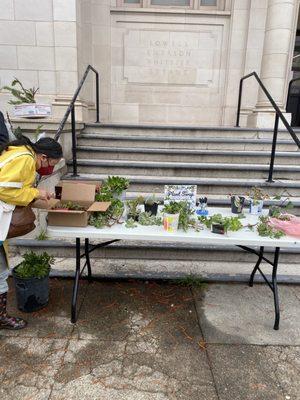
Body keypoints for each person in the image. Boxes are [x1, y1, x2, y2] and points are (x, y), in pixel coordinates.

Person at [0, 135, 63, 329]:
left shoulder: (20, 153)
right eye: (52, 163)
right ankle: (1, 317)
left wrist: (38, 196)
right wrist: (36, 193)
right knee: (1, 270)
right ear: (43, 157)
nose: (50, 168)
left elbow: (15, 190)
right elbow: (3, 188)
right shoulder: (25, 159)